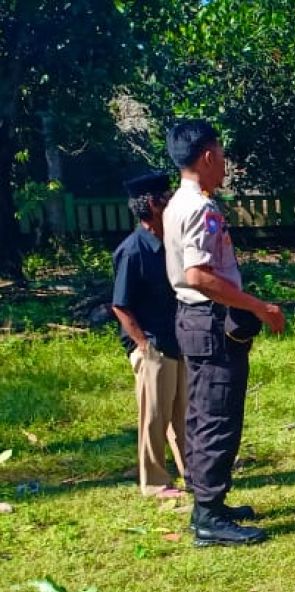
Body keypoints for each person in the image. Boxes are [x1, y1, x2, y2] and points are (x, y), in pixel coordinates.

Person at [163, 120, 286, 547]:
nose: (226, 164)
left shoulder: (178, 202)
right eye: (222, 154)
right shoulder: (199, 208)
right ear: (208, 157)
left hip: (194, 320)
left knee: (201, 414)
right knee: (217, 416)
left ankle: (208, 502)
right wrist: (258, 306)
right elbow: (198, 274)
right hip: (210, 320)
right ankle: (210, 516)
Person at [111, 171, 186, 500]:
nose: (172, 202)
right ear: (155, 205)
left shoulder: (170, 242)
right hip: (153, 344)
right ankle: (154, 483)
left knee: (184, 414)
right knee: (155, 417)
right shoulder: (133, 251)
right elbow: (121, 306)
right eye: (167, 197)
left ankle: (195, 474)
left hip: (178, 340)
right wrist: (144, 346)